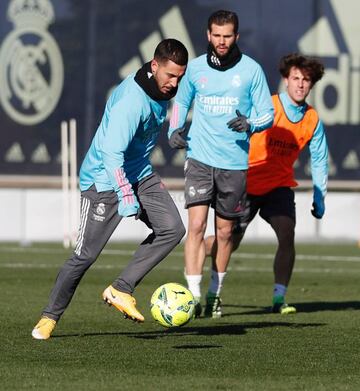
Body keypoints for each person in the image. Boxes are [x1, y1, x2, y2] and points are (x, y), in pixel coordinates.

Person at [31, 39, 188, 340]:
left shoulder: (163, 88)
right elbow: (111, 154)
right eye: (170, 75)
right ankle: (50, 317)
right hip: (103, 180)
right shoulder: (132, 100)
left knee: (172, 229)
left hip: (140, 173)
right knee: (85, 255)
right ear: (154, 66)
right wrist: (126, 193)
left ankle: (121, 288)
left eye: (179, 76)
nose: (174, 82)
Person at [168, 10, 274, 318]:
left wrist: (250, 123)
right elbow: (182, 102)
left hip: (234, 164)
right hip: (199, 157)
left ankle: (215, 293)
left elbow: (267, 114)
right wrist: (174, 128)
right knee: (197, 227)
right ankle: (193, 296)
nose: (221, 41)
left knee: (225, 233)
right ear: (208, 35)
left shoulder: (252, 71)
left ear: (236, 37)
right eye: (216, 35)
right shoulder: (196, 68)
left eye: (227, 36)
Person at [205, 53, 328, 314]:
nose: (300, 84)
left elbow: (319, 159)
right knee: (230, 241)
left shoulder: (312, 119)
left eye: (306, 80)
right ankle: (199, 255)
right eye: (295, 78)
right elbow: (237, 130)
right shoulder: (268, 106)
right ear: (285, 79)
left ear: (312, 84)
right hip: (246, 182)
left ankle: (278, 298)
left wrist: (320, 196)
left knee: (287, 233)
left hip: (278, 187)